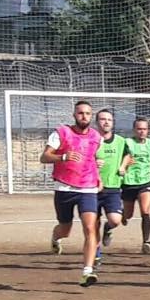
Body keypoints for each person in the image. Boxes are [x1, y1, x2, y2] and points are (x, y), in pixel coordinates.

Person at [40, 100, 103, 287]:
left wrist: (98, 176)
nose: (84, 116)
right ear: (74, 115)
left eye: (88, 114)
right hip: (64, 187)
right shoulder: (61, 133)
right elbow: (44, 157)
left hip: (88, 187)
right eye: (81, 113)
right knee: (65, 229)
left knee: (90, 228)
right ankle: (56, 237)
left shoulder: (96, 137)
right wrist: (63, 157)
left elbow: (91, 158)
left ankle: (87, 271)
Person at [93, 109, 132, 262]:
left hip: (113, 188)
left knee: (115, 220)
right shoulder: (91, 140)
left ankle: (108, 228)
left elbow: (128, 155)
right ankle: (96, 255)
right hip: (92, 188)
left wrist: (123, 166)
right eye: (103, 119)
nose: (106, 122)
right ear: (97, 122)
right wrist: (93, 163)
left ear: (113, 122)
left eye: (109, 119)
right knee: (92, 225)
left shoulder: (121, 141)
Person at [122, 117, 150, 254]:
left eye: (144, 129)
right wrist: (124, 164)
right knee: (128, 214)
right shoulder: (127, 143)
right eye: (139, 129)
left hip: (145, 181)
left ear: (148, 130)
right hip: (129, 182)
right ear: (134, 130)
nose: (142, 131)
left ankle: (146, 241)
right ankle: (122, 216)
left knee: (145, 211)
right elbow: (122, 159)